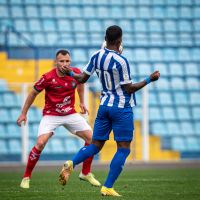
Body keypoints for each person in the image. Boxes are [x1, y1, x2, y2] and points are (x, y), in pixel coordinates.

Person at [58, 25, 160, 196]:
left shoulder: (96, 56)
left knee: (96, 144)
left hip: (104, 105)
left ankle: (71, 162)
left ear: (105, 39)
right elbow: (129, 89)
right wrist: (150, 79)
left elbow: (82, 78)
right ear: (119, 40)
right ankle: (108, 187)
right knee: (123, 148)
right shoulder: (121, 61)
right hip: (121, 108)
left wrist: (69, 73)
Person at [17, 49, 101, 189]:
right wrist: (23, 113)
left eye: (67, 61)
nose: (65, 64)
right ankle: (26, 177)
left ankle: (85, 173)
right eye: (61, 61)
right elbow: (33, 93)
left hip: (70, 114)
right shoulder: (48, 77)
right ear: (56, 62)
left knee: (93, 140)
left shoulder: (74, 72)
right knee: (40, 143)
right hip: (51, 115)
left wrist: (81, 102)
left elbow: (80, 84)